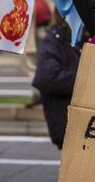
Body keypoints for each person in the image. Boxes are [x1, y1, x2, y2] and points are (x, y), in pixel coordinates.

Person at [33, 9, 82, 149]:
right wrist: (86, 79)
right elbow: (48, 77)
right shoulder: (54, 40)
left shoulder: (79, 37)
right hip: (65, 120)